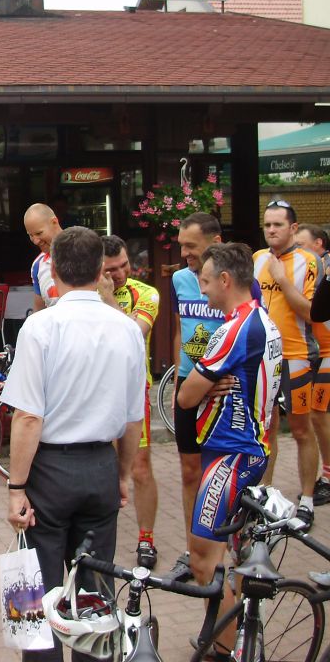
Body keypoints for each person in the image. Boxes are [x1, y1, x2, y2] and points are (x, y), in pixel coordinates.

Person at [4, 226, 145, 662]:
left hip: (50, 469)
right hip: (100, 464)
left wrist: (16, 486)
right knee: (93, 597)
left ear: (54, 269)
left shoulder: (41, 327)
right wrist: (122, 474)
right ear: (101, 268)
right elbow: (133, 419)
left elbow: (28, 416)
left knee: (41, 595)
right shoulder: (127, 329)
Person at [177, 243, 281, 646]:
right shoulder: (262, 318)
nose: (201, 291)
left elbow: (185, 397)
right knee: (232, 559)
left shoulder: (233, 328)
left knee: (203, 560)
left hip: (230, 456)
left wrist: (200, 389)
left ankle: (226, 649)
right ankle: (236, 638)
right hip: (251, 449)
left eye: (204, 282)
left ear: (224, 280)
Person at [166, 212, 252, 582]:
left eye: (191, 246)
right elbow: (179, 331)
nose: (184, 253)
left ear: (215, 242)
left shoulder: (238, 282)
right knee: (190, 473)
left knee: (226, 472)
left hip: (224, 388)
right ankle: (193, 549)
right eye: (181, 244)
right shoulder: (179, 280)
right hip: (190, 382)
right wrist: (176, 376)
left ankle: (240, 543)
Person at [254, 200, 319, 530]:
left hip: (296, 357)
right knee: (265, 429)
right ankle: (265, 493)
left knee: (301, 429)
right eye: (267, 224)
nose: (271, 230)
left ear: (293, 228)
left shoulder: (309, 262)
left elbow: (310, 311)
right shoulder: (257, 259)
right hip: (265, 358)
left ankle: (307, 499)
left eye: (278, 224)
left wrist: (282, 280)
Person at [98, 235, 160, 569]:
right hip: (99, 395)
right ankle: (99, 535)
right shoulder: (86, 295)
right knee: (102, 466)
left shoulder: (147, 293)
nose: (121, 272)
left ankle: (146, 538)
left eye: (124, 265)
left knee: (140, 467)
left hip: (135, 393)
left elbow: (134, 335)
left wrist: (109, 300)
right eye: (112, 269)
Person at [296, 223, 330, 505]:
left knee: (318, 414)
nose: (299, 252)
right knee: (317, 416)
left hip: (328, 353)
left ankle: (328, 479)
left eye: (302, 245)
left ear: (318, 245)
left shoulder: (322, 270)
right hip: (321, 352)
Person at [23, 203, 63, 311]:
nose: (35, 241)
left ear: (54, 222)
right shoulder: (38, 265)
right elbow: (38, 311)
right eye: (31, 235)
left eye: (39, 233)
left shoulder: (85, 252)